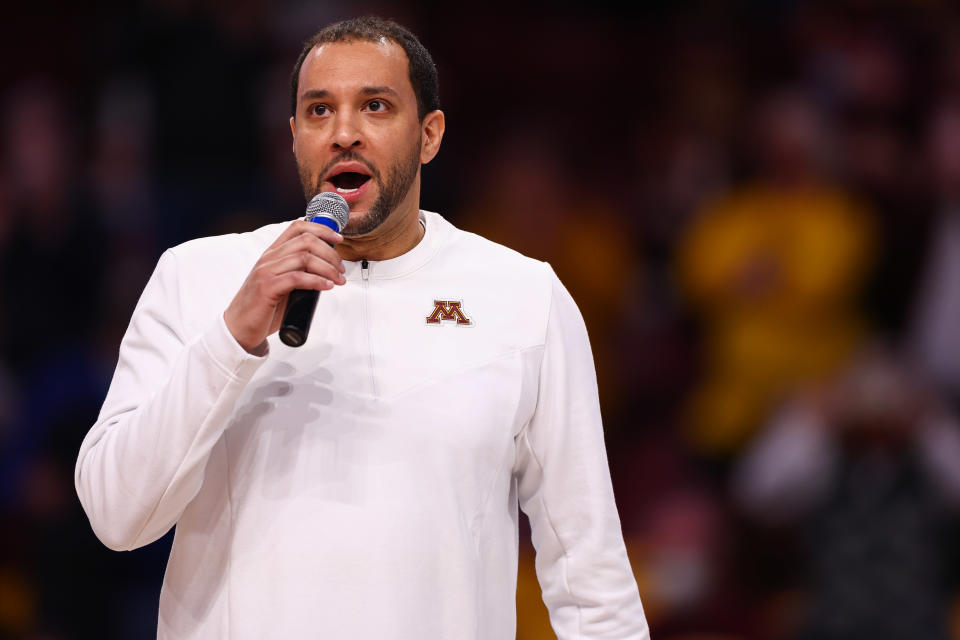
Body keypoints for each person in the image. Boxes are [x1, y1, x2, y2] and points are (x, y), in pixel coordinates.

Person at [74, 16, 648, 639]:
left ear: (429, 135)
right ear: (293, 137)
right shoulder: (197, 278)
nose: (344, 132)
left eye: (375, 106)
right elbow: (115, 515)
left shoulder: (525, 298)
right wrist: (230, 338)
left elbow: (589, 574)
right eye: (319, 111)